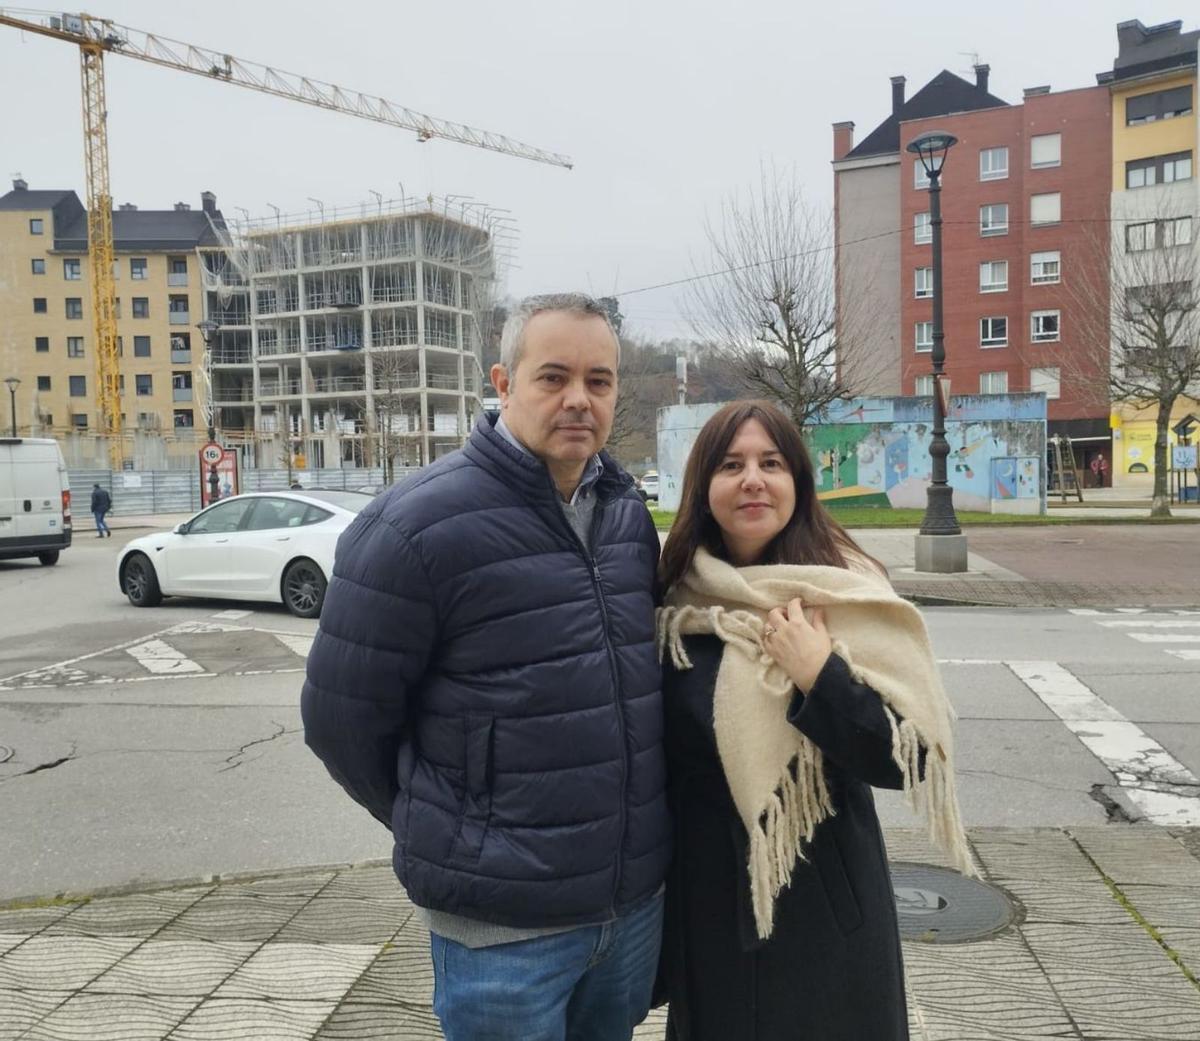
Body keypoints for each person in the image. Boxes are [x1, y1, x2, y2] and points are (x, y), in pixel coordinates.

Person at [302, 293, 669, 1041]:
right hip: (502, 933)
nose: (579, 399)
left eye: (599, 380)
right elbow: (341, 720)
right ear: (503, 383)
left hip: (627, 913)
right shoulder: (413, 526)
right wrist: (450, 825)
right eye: (553, 376)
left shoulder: (627, 516)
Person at [655, 400, 971, 1041]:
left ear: (797, 482)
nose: (752, 479)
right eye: (731, 464)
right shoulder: (673, 600)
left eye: (771, 463)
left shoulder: (847, 593)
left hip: (824, 911)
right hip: (708, 907)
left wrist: (819, 674)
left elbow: (901, 759)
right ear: (703, 487)